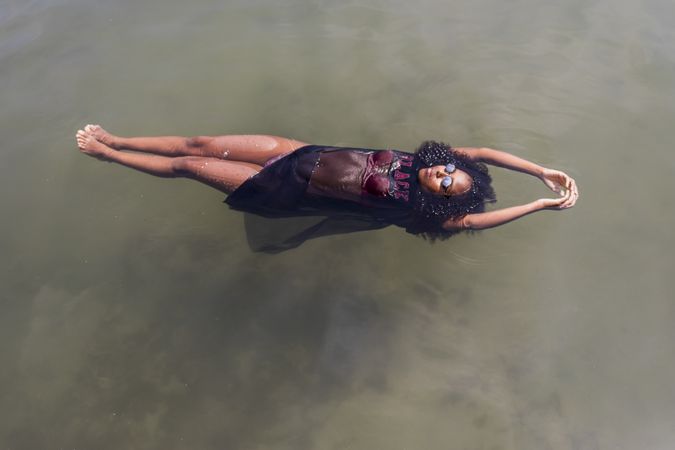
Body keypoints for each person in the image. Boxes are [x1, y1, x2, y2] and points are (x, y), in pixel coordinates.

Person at [75, 125, 578, 252]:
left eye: (448, 186)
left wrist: (536, 203)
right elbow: (486, 154)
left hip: (280, 187)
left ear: (441, 201)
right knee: (199, 140)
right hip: (295, 151)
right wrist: (540, 170)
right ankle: (119, 136)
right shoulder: (420, 159)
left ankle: (110, 155)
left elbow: (471, 220)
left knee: (188, 164)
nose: (443, 176)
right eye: (449, 169)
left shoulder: (416, 209)